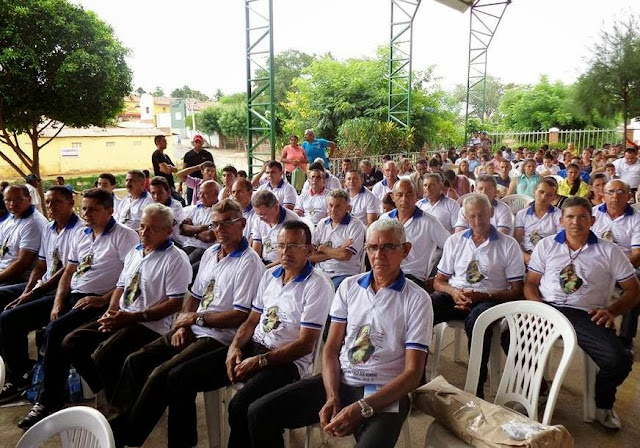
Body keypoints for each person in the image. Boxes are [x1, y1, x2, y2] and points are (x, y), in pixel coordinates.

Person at [248, 219, 432, 448]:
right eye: (373, 247)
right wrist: (332, 395)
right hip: (342, 380)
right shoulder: (349, 287)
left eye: (388, 247)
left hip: (384, 391)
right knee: (259, 413)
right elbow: (331, 349)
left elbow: (413, 373)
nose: (379, 255)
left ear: (405, 250)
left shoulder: (417, 299)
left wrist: (362, 407)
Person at [108, 199, 265, 448]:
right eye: (215, 224)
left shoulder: (249, 262)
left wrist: (194, 319)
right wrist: (183, 325)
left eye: (227, 223)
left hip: (222, 338)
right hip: (195, 327)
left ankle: (128, 439)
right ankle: (115, 429)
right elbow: (194, 295)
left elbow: (240, 315)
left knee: (168, 376)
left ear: (242, 224)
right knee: (135, 361)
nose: (220, 229)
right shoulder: (211, 253)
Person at [15, 188, 139, 428]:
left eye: (93, 210)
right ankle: (20, 375)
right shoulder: (82, 233)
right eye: (84, 209)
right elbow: (69, 272)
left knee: (55, 332)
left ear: (110, 211)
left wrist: (103, 300)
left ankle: (49, 400)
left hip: (98, 300)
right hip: (73, 296)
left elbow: (130, 278)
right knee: (12, 317)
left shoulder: (124, 236)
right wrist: (58, 301)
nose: (87, 214)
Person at [525, 196, 640, 429]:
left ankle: (602, 404)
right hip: (548, 308)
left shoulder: (609, 250)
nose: (575, 222)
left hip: (584, 314)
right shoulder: (546, 245)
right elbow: (530, 284)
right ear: (561, 221)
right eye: (570, 217)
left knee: (618, 359)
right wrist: (537, 307)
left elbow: (634, 289)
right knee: (509, 335)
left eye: (582, 217)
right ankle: (540, 389)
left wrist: (611, 311)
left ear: (592, 220)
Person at [61, 203, 191, 403]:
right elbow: (121, 287)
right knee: (72, 342)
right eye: (142, 226)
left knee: (105, 356)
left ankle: (119, 406)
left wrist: (132, 317)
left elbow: (175, 304)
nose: (144, 232)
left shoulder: (175, 259)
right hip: (123, 315)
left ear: (168, 231)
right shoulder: (136, 251)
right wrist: (111, 311)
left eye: (152, 229)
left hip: (150, 324)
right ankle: (106, 392)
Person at [433, 193, 525, 397]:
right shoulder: (455, 241)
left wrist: (484, 296)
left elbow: (517, 290)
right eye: (472, 216)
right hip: (457, 296)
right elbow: (438, 281)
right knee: (427, 307)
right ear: (465, 217)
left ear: (491, 213)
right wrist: (454, 292)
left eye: (482, 215)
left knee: (478, 320)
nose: (477, 221)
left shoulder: (508, 244)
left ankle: (476, 387)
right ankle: (417, 378)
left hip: (489, 299)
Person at [0, 187, 83, 403]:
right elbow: (41, 265)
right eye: (48, 202)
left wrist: (34, 293)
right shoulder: (49, 227)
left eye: (56, 202)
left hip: (62, 291)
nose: (51, 206)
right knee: (8, 312)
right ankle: (19, 371)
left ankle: (21, 376)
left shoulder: (79, 231)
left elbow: (66, 271)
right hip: (42, 286)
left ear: (70, 203)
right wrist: (27, 291)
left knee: (10, 318)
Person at [591, 180, 640, 350]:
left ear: (628, 196)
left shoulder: (636, 218)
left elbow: (637, 255)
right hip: (593, 265)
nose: (615, 196)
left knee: (636, 286)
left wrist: (615, 271)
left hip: (625, 266)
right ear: (602, 195)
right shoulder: (592, 214)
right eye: (610, 192)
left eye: (620, 192)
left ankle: (626, 338)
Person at [380, 179, 449, 289]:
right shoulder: (384, 219)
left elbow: (451, 246)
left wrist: (440, 274)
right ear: (392, 197)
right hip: (384, 273)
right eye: (400, 195)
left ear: (417, 196)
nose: (404, 199)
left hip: (412, 277)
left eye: (409, 195)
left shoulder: (429, 222)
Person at [310, 189, 366, 289]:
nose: (333, 210)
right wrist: (339, 250)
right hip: (319, 273)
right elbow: (310, 255)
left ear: (348, 208)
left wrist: (323, 248)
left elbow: (345, 255)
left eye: (338, 206)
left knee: (328, 293)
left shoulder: (355, 225)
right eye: (330, 205)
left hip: (343, 273)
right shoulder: (322, 223)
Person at [0, 185, 48, 287]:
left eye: (17, 200)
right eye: (8, 200)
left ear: (29, 199)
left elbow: (22, 264)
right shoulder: (10, 219)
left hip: (19, 279)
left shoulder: (33, 223)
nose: (12, 204)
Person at [514, 178, 561, 265]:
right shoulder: (522, 214)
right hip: (526, 256)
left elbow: (560, 242)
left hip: (549, 257)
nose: (543, 197)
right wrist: (525, 257)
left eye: (549, 195)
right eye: (541, 192)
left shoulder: (559, 215)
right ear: (534, 191)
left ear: (554, 197)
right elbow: (518, 240)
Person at [251, 190, 300, 265]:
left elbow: (290, 254)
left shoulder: (292, 221)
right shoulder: (258, 220)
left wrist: (267, 268)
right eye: (258, 214)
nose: (260, 218)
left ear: (276, 208)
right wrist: (255, 265)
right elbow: (256, 248)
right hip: (263, 262)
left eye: (263, 214)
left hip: (284, 264)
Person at [179, 181, 219, 269]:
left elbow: (209, 236)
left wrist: (192, 230)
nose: (201, 196)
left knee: (185, 268)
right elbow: (182, 229)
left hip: (205, 250)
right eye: (200, 193)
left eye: (205, 193)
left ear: (216, 193)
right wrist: (203, 228)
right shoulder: (193, 209)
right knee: (172, 262)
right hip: (187, 246)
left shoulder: (219, 212)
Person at [149, 176, 185, 245]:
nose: (156, 196)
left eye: (160, 193)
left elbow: (165, 225)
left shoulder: (176, 206)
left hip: (175, 242)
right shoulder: (150, 205)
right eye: (153, 193)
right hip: (156, 240)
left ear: (168, 192)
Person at [182, 134, 215, 205]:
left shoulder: (207, 155)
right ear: (193, 143)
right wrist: (180, 185)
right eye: (196, 142)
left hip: (205, 181)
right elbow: (183, 170)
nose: (198, 144)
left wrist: (215, 181)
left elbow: (213, 168)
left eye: (200, 142)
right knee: (191, 203)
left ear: (202, 143)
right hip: (192, 182)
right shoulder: (188, 155)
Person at [151, 134, 183, 204]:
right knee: (179, 202)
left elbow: (176, 170)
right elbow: (166, 171)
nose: (166, 143)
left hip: (170, 184)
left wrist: (168, 167)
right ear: (157, 142)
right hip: (163, 186)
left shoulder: (166, 156)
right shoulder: (157, 154)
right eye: (164, 141)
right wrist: (168, 168)